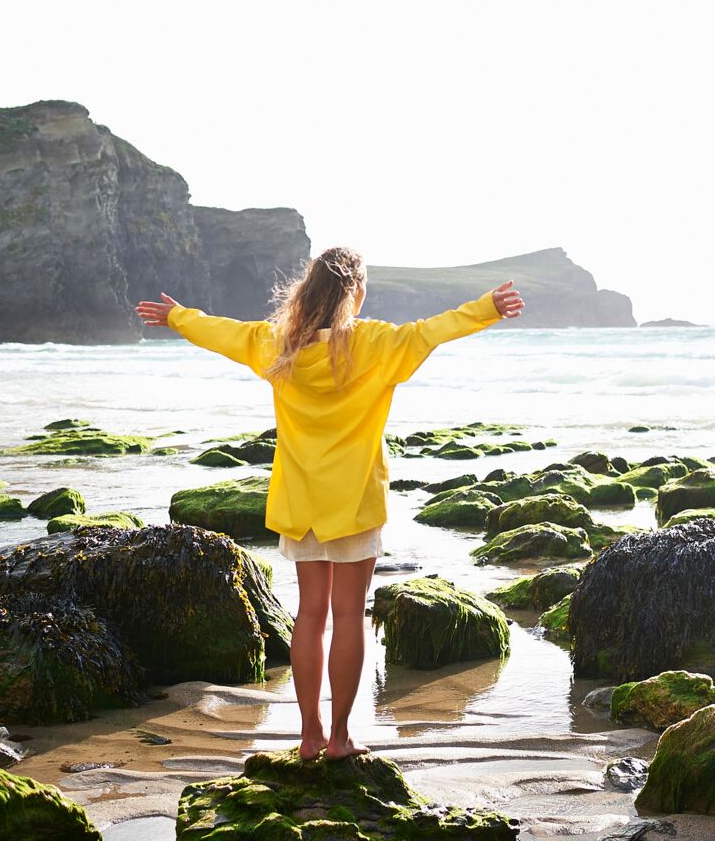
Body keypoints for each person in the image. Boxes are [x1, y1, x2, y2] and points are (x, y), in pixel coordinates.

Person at [135, 247, 524, 760]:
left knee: (310, 615)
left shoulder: (278, 345)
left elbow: (222, 333)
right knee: (347, 616)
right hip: (355, 502)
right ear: (356, 292)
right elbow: (435, 329)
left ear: (309, 291)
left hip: (302, 501)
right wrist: (489, 307)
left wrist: (177, 317)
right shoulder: (376, 344)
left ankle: (309, 735)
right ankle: (340, 738)